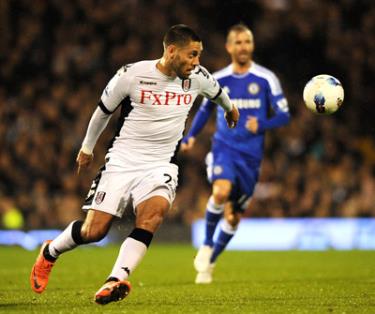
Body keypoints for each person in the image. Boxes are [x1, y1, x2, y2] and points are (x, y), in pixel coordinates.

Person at [30, 24, 239, 305]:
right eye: (191, 55)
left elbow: (219, 93)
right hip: (122, 161)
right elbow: (102, 111)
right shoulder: (132, 74)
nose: (196, 62)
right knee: (94, 231)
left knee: (152, 216)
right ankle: (50, 252)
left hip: (161, 164)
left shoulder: (198, 77)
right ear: (171, 51)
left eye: (199, 55)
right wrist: (87, 147)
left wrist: (231, 109)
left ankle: (115, 280)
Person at [181, 24, 290, 284]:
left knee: (233, 217)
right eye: (238, 42)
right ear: (229, 47)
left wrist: (262, 124)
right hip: (224, 148)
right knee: (220, 192)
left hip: (251, 159)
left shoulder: (266, 78)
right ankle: (207, 244)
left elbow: (284, 115)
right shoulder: (218, 78)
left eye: (247, 42)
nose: (243, 47)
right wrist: (191, 135)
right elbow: (206, 110)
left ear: (252, 46)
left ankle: (210, 262)